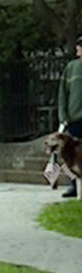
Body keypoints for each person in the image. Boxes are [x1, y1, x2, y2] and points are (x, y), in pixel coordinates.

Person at [57, 34, 82, 197]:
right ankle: (73, 185)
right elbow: (63, 93)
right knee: (70, 154)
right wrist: (63, 114)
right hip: (74, 119)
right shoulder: (71, 68)